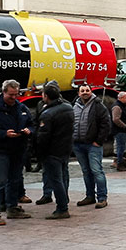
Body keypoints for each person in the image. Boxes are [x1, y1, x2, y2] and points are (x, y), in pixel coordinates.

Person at [0, 79, 35, 225]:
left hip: (18, 149)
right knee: (0, 180)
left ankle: (12, 208)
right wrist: (4, 133)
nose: (14, 98)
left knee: (15, 179)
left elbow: (31, 124)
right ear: (3, 92)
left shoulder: (21, 107)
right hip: (0, 150)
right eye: (11, 95)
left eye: (16, 94)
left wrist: (28, 131)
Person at [36, 82, 74, 219]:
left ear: (46, 96)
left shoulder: (48, 114)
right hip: (65, 148)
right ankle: (64, 202)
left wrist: (38, 153)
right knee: (63, 177)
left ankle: (62, 208)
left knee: (56, 180)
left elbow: (43, 137)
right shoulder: (68, 107)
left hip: (52, 151)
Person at [72, 84, 111, 209]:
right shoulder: (74, 106)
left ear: (91, 91)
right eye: (82, 91)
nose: (85, 92)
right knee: (86, 172)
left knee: (96, 171)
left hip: (93, 145)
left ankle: (102, 198)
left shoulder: (98, 106)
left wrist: (99, 141)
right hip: (78, 144)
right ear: (78, 93)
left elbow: (106, 124)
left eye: (87, 90)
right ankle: (90, 196)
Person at [111, 91, 126, 171]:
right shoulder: (117, 107)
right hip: (119, 131)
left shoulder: (122, 106)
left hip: (121, 131)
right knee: (120, 148)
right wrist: (124, 126)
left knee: (122, 147)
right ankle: (120, 164)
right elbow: (115, 119)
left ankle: (122, 164)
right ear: (121, 98)